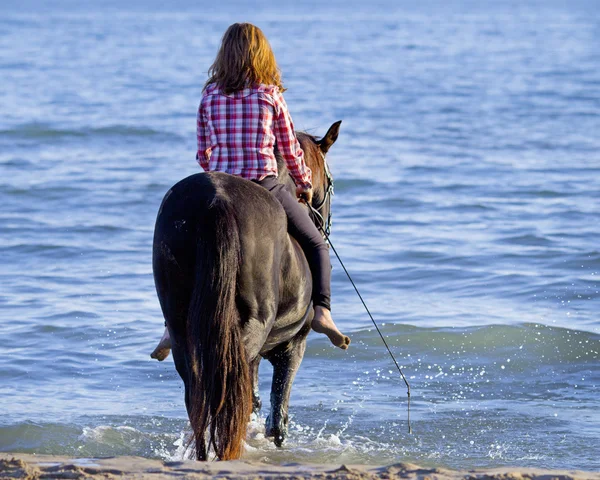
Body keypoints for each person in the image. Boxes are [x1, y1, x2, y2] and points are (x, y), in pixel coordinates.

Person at [151, 23, 349, 361]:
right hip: (264, 185)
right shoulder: (270, 95)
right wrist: (302, 182)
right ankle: (322, 313)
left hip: (221, 185)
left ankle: (171, 325)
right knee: (316, 242)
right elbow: (289, 150)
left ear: (223, 56)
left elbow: (203, 154)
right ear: (262, 55)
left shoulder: (209, 95)